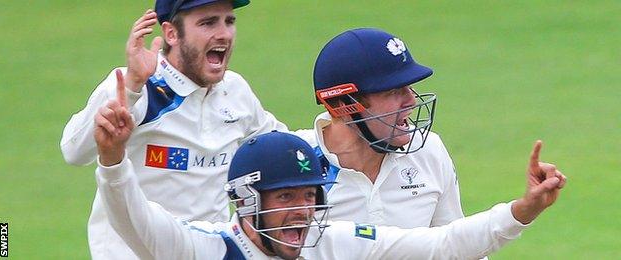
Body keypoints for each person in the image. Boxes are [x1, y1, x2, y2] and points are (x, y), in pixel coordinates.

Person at [93, 79, 566, 259]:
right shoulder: (204, 248)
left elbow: (442, 244)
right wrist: (114, 162)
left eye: (309, 196)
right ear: (246, 202)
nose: (302, 211)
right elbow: (135, 220)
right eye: (285, 198)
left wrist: (522, 210)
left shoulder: (335, 243)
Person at [59, 0, 286, 258]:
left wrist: (334, 123)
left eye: (229, 21)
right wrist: (133, 85)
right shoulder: (136, 85)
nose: (223, 33)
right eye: (208, 22)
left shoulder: (235, 90)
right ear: (171, 33)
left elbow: (283, 146)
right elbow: (74, 151)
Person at [293, 28, 464, 228]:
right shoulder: (294, 162)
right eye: (393, 91)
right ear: (342, 105)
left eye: (409, 87)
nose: (411, 100)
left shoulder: (429, 150)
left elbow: (458, 247)